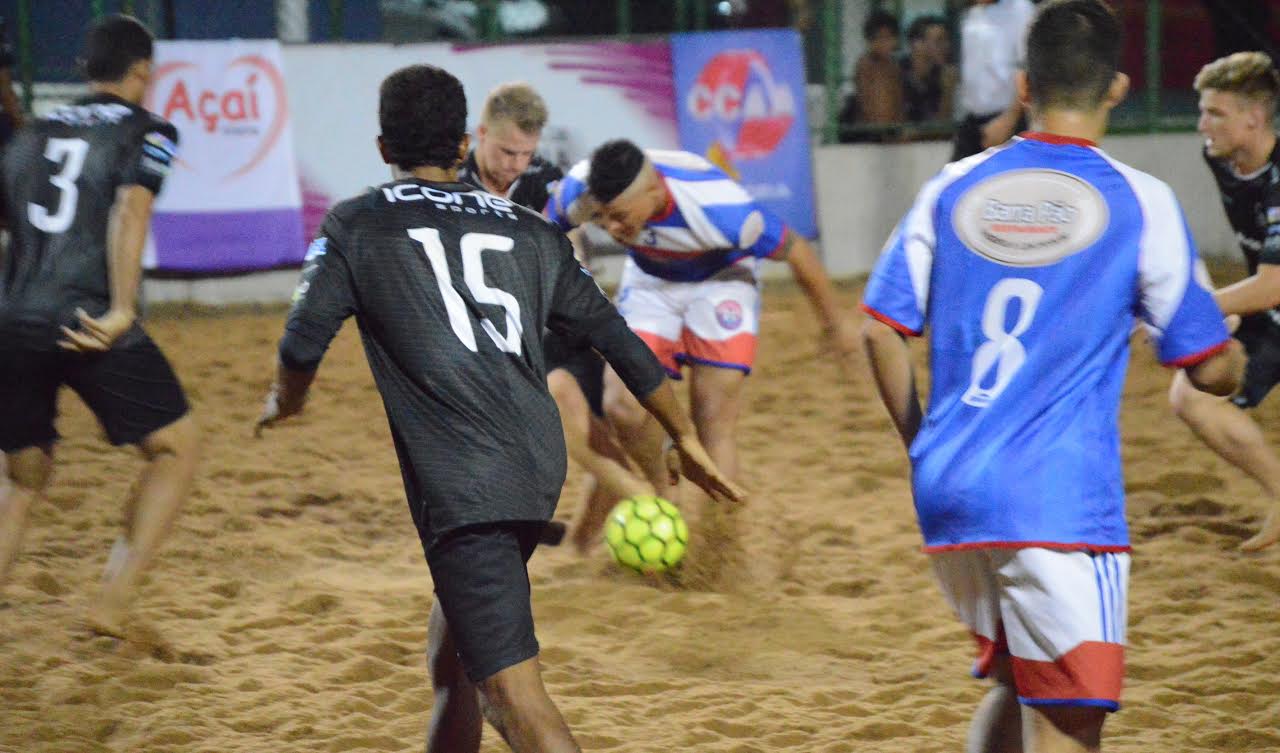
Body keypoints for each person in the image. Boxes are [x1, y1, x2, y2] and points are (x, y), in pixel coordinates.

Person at [253, 64, 743, 753]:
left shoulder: (357, 222)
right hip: (536, 464)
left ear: (382, 147)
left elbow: (302, 342)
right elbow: (615, 335)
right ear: (462, 146)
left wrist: (286, 401)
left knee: (513, 696)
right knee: (450, 659)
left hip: (469, 481)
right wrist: (682, 432)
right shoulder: (529, 229)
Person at [860, 2, 1244, 751]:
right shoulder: (1141, 200)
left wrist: (922, 437)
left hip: (952, 491)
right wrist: (1229, 352)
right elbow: (1210, 370)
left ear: (1026, 84)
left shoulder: (953, 186)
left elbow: (879, 327)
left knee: (1015, 683)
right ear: (1119, 88)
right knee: (1069, 721)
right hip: (1056, 501)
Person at [0, 14, 199, 638]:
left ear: (85, 69)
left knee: (24, 478)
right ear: (144, 72)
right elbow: (129, 208)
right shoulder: (154, 130)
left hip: (15, 316)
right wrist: (121, 306)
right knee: (177, 448)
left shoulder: (27, 135)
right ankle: (111, 604)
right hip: (85, 316)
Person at [546, 140, 858, 515]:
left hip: (722, 277)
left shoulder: (724, 210)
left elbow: (796, 251)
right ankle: (667, 498)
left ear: (654, 191)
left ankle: (722, 550)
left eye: (619, 216)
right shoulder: (581, 190)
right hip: (650, 278)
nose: (610, 228)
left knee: (712, 421)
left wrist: (836, 324)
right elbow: (533, 234)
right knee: (622, 405)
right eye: (603, 216)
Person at [457, 81, 652, 553]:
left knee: (606, 435)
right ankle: (649, 505)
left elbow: (573, 251)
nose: (515, 165)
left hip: (559, 319)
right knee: (569, 416)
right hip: (491, 336)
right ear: (480, 134)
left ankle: (581, 546)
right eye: (506, 152)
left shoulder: (547, 182)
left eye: (525, 154)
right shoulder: (446, 187)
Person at [1170, 51, 1280, 552]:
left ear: (1254, 119)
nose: (1202, 125)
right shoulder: (1223, 160)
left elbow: (1273, 285)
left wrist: (1196, 306)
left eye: (1215, 113)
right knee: (1190, 393)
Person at [952, 0, 1034, 160]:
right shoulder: (971, 13)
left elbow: (1029, 68)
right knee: (958, 180)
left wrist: (1008, 120)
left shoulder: (1021, 9)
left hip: (1010, 120)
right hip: (972, 120)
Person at [848, 10, 906, 141]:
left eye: (888, 38)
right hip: (869, 134)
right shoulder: (865, 66)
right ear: (870, 41)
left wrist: (899, 130)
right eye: (879, 38)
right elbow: (865, 102)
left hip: (892, 132)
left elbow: (898, 101)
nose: (884, 43)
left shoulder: (894, 67)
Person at [901, 14, 957, 126]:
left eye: (947, 40)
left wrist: (948, 92)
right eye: (939, 41)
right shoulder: (897, 74)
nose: (946, 46)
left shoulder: (941, 75)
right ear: (917, 44)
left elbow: (941, 125)